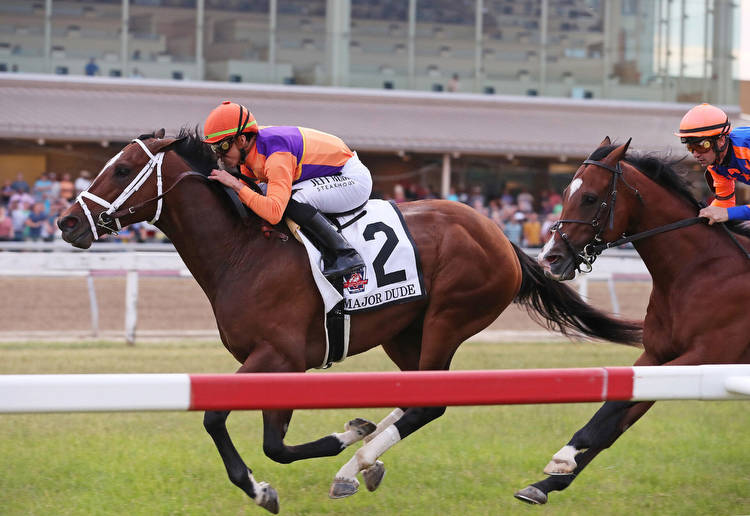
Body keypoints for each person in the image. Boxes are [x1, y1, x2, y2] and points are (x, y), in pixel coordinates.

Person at [202, 100, 371, 281]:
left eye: (222, 146)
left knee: (293, 200)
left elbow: (274, 212)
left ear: (242, 140)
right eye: (214, 147)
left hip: (351, 178)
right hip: (328, 172)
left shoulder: (276, 155)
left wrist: (237, 185)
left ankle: (345, 254)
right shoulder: (248, 158)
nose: (218, 154)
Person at [675, 103, 750, 224]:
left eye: (701, 146)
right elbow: (724, 203)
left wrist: (728, 213)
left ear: (721, 140)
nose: (695, 154)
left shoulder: (746, 147)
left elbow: (726, 212)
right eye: (690, 147)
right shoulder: (715, 166)